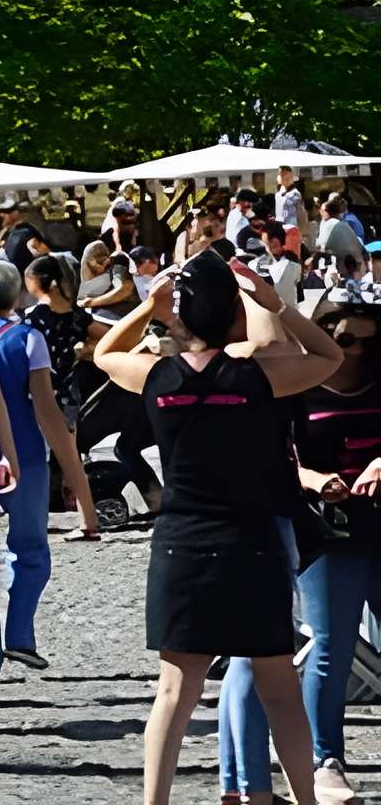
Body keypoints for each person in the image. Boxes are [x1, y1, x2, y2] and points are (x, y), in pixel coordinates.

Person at [92, 250, 342, 805]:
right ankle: (305, 797)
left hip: (182, 542)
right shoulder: (257, 376)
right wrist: (276, 303)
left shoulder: (157, 376)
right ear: (235, 313)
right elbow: (327, 355)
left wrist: (148, 308)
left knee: (174, 692)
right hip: (249, 543)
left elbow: (105, 351)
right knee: (280, 689)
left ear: (180, 316)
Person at [216, 302, 381, 801]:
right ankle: (325, 759)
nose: (357, 353)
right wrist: (314, 480)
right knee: (330, 644)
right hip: (327, 528)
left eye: (369, 343)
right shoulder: (297, 387)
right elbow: (279, 458)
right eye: (347, 340)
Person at [0, 258, 94, 687]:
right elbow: (46, 408)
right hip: (27, 455)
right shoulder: (28, 339)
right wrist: (72, 468)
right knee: (31, 548)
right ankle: (19, 633)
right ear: (17, 296)